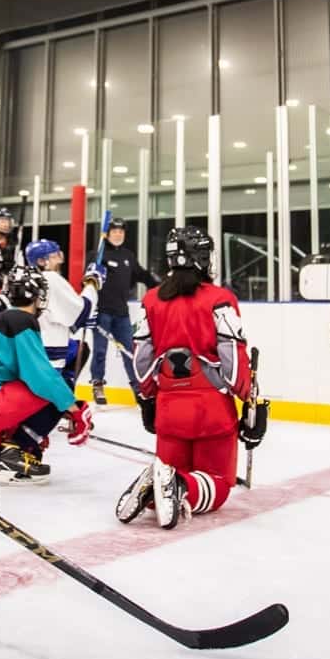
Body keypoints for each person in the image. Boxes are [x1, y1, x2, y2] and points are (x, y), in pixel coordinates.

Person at [116, 226, 261, 529]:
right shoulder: (220, 298)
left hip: (169, 410)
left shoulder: (152, 300)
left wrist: (147, 399)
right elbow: (233, 360)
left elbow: (141, 359)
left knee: (169, 474)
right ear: (204, 258)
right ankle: (180, 486)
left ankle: (157, 489)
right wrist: (247, 398)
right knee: (218, 484)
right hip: (212, 412)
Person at [0, 263, 93, 483]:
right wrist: (74, 408)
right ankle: (19, 447)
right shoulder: (22, 320)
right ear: (38, 295)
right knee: (59, 387)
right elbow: (41, 377)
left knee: (41, 392)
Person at [88, 217, 155, 405]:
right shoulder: (97, 255)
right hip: (101, 312)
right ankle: (98, 384)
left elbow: (142, 275)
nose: (118, 234)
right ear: (107, 234)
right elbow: (87, 281)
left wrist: (161, 286)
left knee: (129, 352)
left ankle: (137, 387)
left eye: (121, 231)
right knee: (100, 351)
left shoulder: (128, 256)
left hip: (121, 313)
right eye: (115, 231)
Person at [25, 238, 97, 397]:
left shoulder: (27, 279)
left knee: (80, 348)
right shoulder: (50, 278)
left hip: (30, 346)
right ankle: (62, 401)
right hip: (50, 346)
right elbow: (81, 310)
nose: (59, 258)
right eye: (54, 255)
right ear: (42, 261)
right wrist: (92, 283)